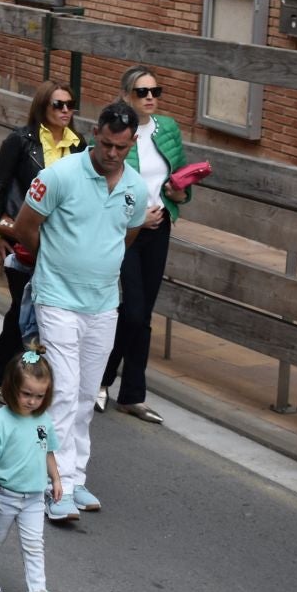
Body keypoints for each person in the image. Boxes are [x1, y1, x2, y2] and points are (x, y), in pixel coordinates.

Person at [0, 100, 146, 524]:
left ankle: (76, 475)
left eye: (121, 147)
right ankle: (53, 483)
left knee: (86, 393)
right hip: (57, 297)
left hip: (103, 303)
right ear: (94, 135)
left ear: (131, 143)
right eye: (105, 144)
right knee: (61, 390)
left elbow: (129, 233)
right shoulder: (59, 175)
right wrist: (57, 260)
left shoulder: (135, 188)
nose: (112, 153)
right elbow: (26, 224)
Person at [100, 66, 189, 423]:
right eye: (141, 92)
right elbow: (104, 179)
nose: (150, 97)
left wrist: (177, 194)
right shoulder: (116, 131)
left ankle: (132, 394)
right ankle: (101, 379)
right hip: (127, 231)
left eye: (155, 91)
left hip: (159, 227)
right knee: (132, 310)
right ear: (126, 95)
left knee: (144, 314)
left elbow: (180, 182)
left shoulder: (167, 129)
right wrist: (137, 216)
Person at [0, 82, 84, 394]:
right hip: (22, 237)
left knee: (48, 314)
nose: (65, 110)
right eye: (58, 105)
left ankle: (35, 379)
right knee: (21, 310)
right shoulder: (20, 140)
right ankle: (4, 376)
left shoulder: (79, 145)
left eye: (70, 104)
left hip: (61, 244)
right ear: (43, 107)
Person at [0, 347, 68, 592]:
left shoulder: (43, 420)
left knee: (34, 544)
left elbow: (47, 451)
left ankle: (38, 591)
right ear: (11, 388)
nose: (32, 401)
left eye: (39, 396)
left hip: (35, 496)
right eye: (27, 394)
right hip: (4, 494)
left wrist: (56, 480)